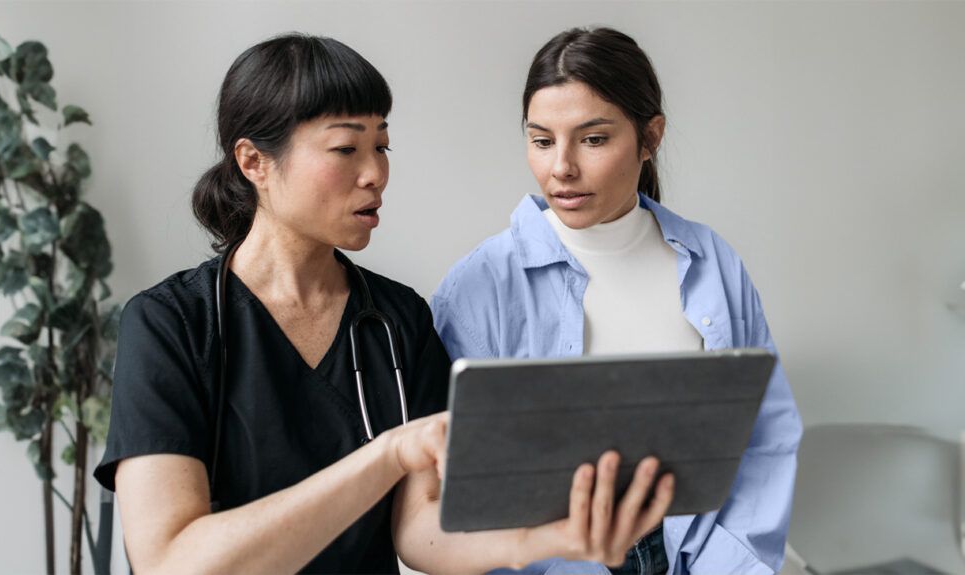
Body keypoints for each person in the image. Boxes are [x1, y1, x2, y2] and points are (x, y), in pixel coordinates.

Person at [95, 33, 674, 574]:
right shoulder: (171, 324)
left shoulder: (398, 320)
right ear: (254, 162)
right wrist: (388, 454)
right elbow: (171, 562)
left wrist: (549, 540)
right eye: (346, 147)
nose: (375, 173)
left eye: (382, 145)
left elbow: (418, 532)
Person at [431, 27, 803, 575]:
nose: (561, 167)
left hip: (695, 552)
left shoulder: (712, 261)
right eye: (541, 140)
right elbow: (461, 487)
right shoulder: (478, 287)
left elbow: (765, 434)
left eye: (593, 139)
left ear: (650, 138)